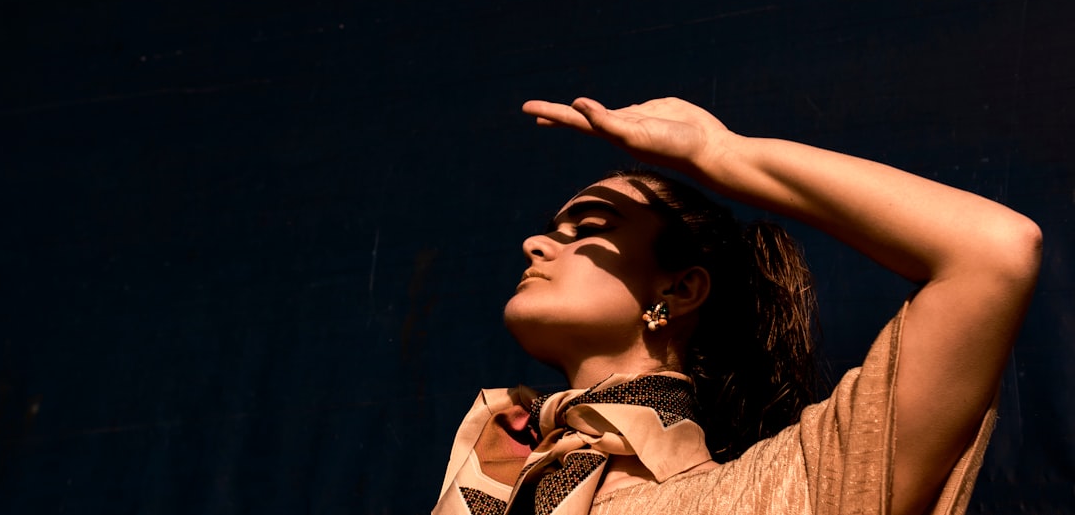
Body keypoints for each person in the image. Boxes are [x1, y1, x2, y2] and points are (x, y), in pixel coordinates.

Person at [433, 97, 1041, 515]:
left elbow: (991, 253)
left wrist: (720, 153)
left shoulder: (787, 489)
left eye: (589, 225)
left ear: (679, 290)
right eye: (550, 229)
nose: (534, 243)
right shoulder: (489, 477)